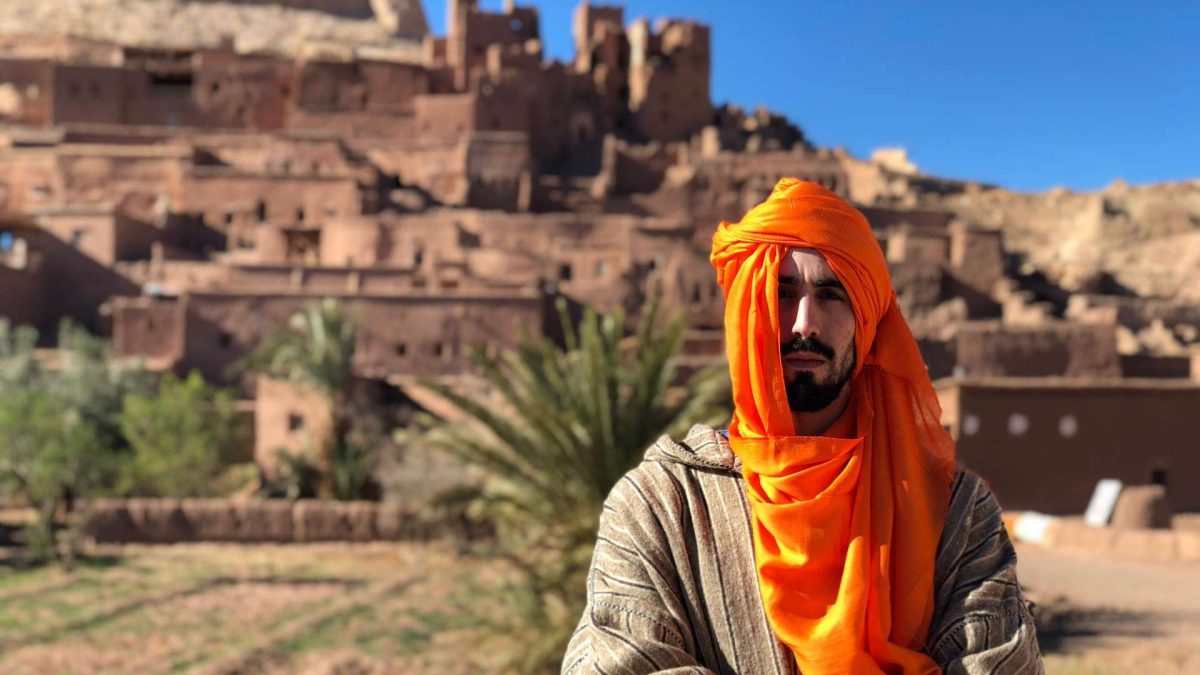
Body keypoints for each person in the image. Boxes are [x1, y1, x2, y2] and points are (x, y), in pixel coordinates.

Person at [562, 179, 1043, 674]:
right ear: (745, 312)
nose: (804, 324)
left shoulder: (955, 512)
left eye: (832, 295)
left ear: (866, 321)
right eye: (782, 293)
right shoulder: (661, 505)